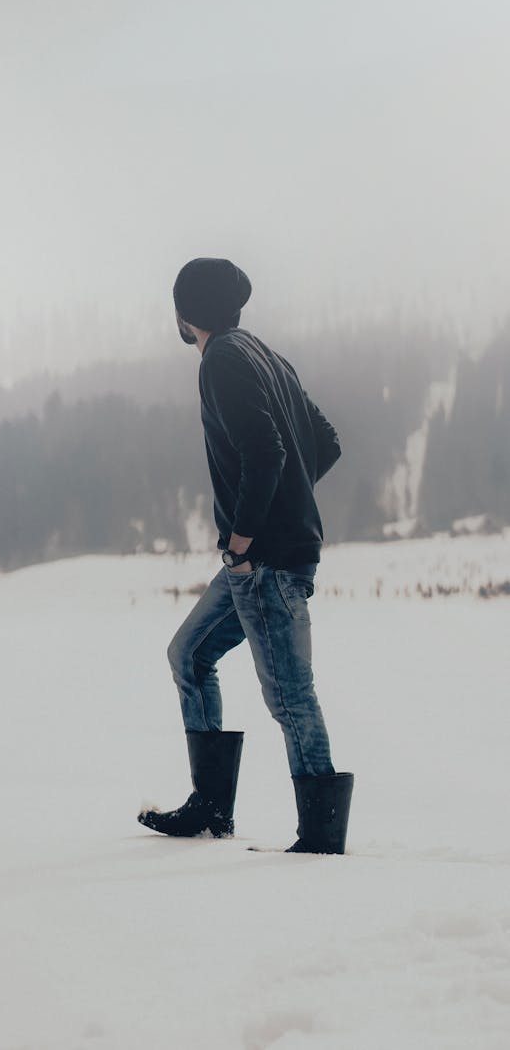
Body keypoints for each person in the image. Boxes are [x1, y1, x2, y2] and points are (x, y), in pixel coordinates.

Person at [138, 258, 354, 853]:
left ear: (186, 314)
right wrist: (284, 509)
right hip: (263, 555)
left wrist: (244, 539)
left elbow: (267, 451)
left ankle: (320, 839)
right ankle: (209, 809)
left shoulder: (223, 361)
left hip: (262, 560)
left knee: (289, 695)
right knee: (190, 653)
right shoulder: (262, 354)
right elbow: (325, 444)